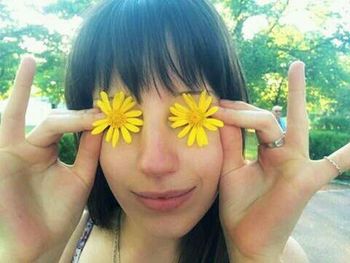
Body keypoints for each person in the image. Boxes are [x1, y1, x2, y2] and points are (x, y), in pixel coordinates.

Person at [0, 0, 349, 262]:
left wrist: (250, 258)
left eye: (187, 114)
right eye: (120, 122)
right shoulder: (65, 240)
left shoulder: (278, 256)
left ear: (238, 119)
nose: (156, 162)